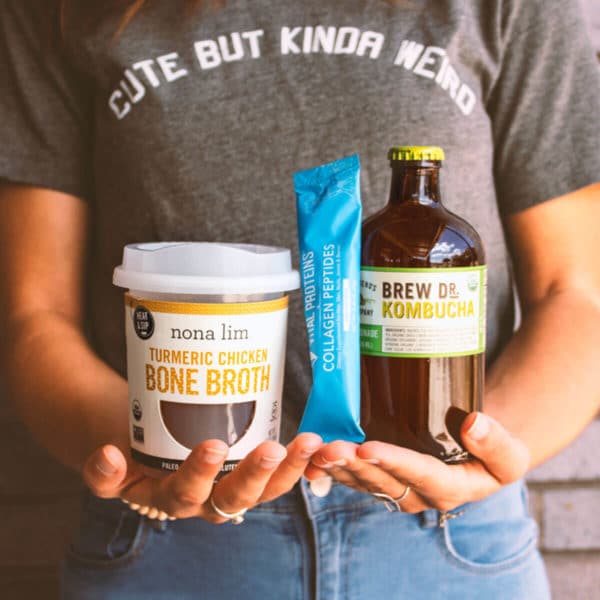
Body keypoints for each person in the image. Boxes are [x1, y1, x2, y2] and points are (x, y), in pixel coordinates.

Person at [0, 0, 599, 598]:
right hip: (166, 535)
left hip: (447, 532)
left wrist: (478, 460)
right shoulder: (58, 12)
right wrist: (149, 452)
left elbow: (575, 294)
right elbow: (36, 314)